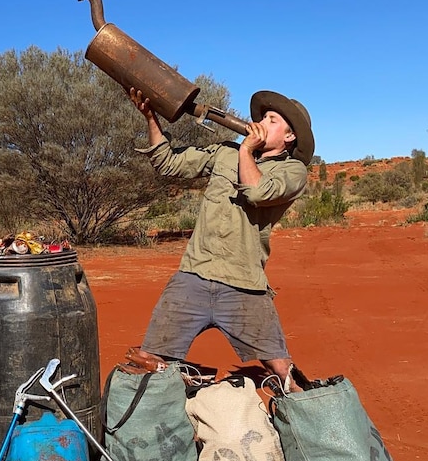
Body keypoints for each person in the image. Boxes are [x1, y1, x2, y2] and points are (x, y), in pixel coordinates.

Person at [127, 87, 314, 392]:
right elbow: (167, 163)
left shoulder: (293, 171)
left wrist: (246, 150)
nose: (263, 123)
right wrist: (150, 116)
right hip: (195, 274)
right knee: (147, 359)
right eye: (264, 117)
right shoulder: (223, 152)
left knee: (282, 371)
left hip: (244, 282)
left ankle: (309, 425)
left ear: (290, 137)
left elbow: (258, 192)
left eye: (273, 121)